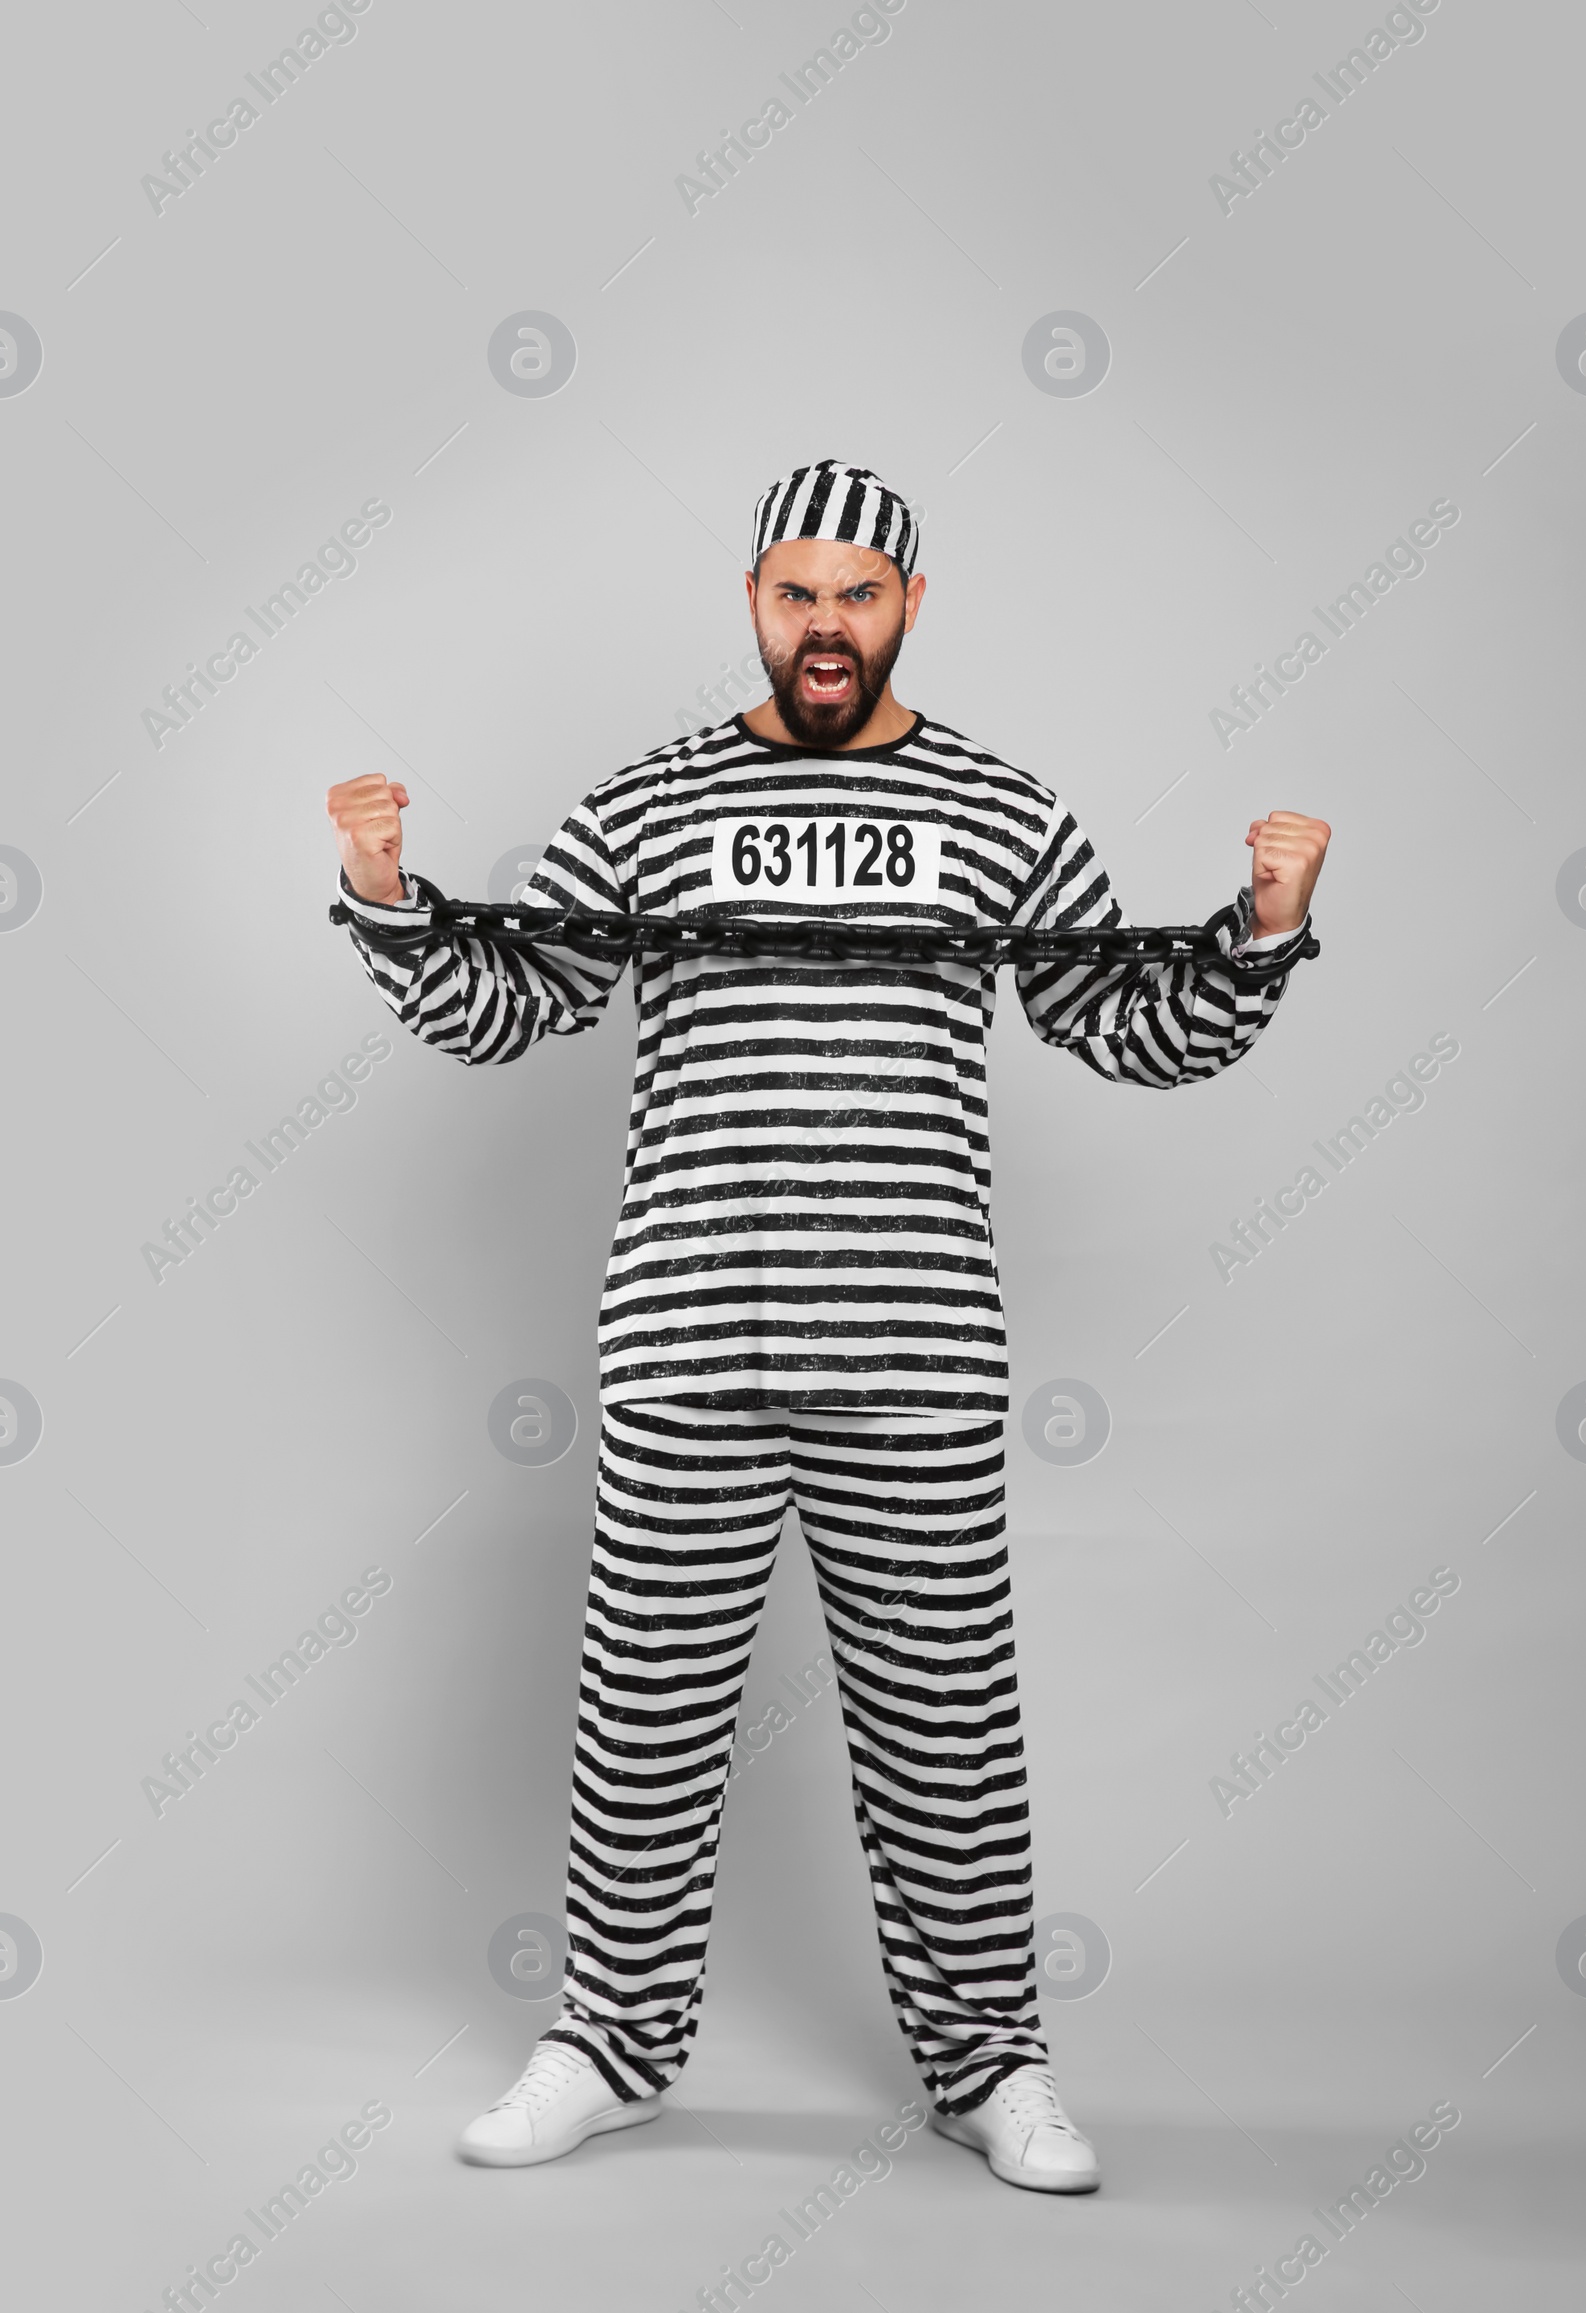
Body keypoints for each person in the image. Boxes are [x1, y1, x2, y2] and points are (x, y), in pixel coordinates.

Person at [326, 458, 1330, 2194]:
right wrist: (388, 890)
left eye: (860, 595)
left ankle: (990, 2062)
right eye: (797, 593)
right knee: (644, 1706)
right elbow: (518, 1001)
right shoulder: (648, 804)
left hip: (915, 1345)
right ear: (754, 601)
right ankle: (609, 2041)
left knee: (947, 1720)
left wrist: (1262, 929)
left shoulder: (1000, 810)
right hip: (690, 1335)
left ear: (911, 608)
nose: (826, 627)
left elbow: (1121, 1020)